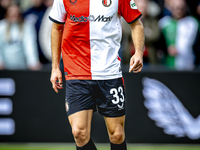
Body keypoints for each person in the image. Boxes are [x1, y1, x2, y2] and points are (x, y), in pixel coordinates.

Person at [49, 0, 144, 150]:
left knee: (117, 135)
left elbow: (136, 24)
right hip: (76, 72)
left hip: (110, 73)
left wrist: (138, 53)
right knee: (79, 132)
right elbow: (56, 28)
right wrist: (55, 67)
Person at [159, 0, 199, 70]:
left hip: (189, 65)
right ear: (170, 7)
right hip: (168, 66)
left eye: (181, 8)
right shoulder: (163, 23)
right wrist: (166, 49)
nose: (179, 11)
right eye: (176, 8)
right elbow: (158, 44)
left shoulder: (193, 22)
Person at [0, 4, 40, 70]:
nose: (14, 16)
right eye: (11, 13)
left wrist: (33, 62)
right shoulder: (1, 26)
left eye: (16, 14)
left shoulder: (27, 27)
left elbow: (30, 46)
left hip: (22, 67)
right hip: (4, 68)